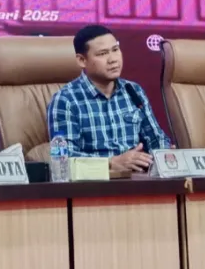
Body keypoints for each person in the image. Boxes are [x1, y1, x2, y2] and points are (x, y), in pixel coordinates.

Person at [47, 24, 171, 172]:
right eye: (102, 54)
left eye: (115, 50)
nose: (113, 59)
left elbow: (157, 139)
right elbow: (63, 159)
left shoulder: (133, 91)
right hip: (95, 182)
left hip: (139, 178)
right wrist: (111, 163)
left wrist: (164, 154)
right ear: (81, 60)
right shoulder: (65, 100)